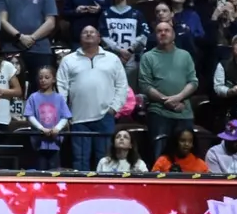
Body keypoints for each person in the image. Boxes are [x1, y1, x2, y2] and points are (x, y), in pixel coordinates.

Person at [56, 22, 128, 171]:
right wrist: (65, 113)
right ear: (80, 38)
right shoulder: (68, 60)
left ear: (99, 38)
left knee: (105, 160)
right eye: (85, 32)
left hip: (105, 117)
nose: (88, 34)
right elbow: (61, 88)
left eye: (92, 32)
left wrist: (114, 109)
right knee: (80, 160)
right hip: (78, 118)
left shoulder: (112, 59)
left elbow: (122, 86)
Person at [139, 19, 199, 164]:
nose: (163, 33)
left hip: (183, 112)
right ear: (155, 35)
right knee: (160, 155)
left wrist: (178, 97)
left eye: (167, 30)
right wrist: (167, 101)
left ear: (173, 35)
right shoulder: (148, 57)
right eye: (159, 31)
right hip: (159, 112)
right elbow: (145, 85)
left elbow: (193, 81)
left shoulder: (185, 55)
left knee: (185, 156)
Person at [0, 0, 58, 78]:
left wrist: (32, 38)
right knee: (13, 87)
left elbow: (51, 22)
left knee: (42, 85)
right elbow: (2, 20)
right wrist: (20, 36)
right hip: (12, 46)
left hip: (40, 48)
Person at [25, 66, 71, 170]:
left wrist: (57, 129)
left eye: (47, 77)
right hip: (39, 142)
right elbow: (30, 116)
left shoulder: (59, 98)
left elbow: (65, 116)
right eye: (41, 78)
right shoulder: (33, 97)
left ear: (53, 79)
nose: (43, 80)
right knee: (40, 169)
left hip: (55, 142)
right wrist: (42, 129)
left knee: (54, 171)